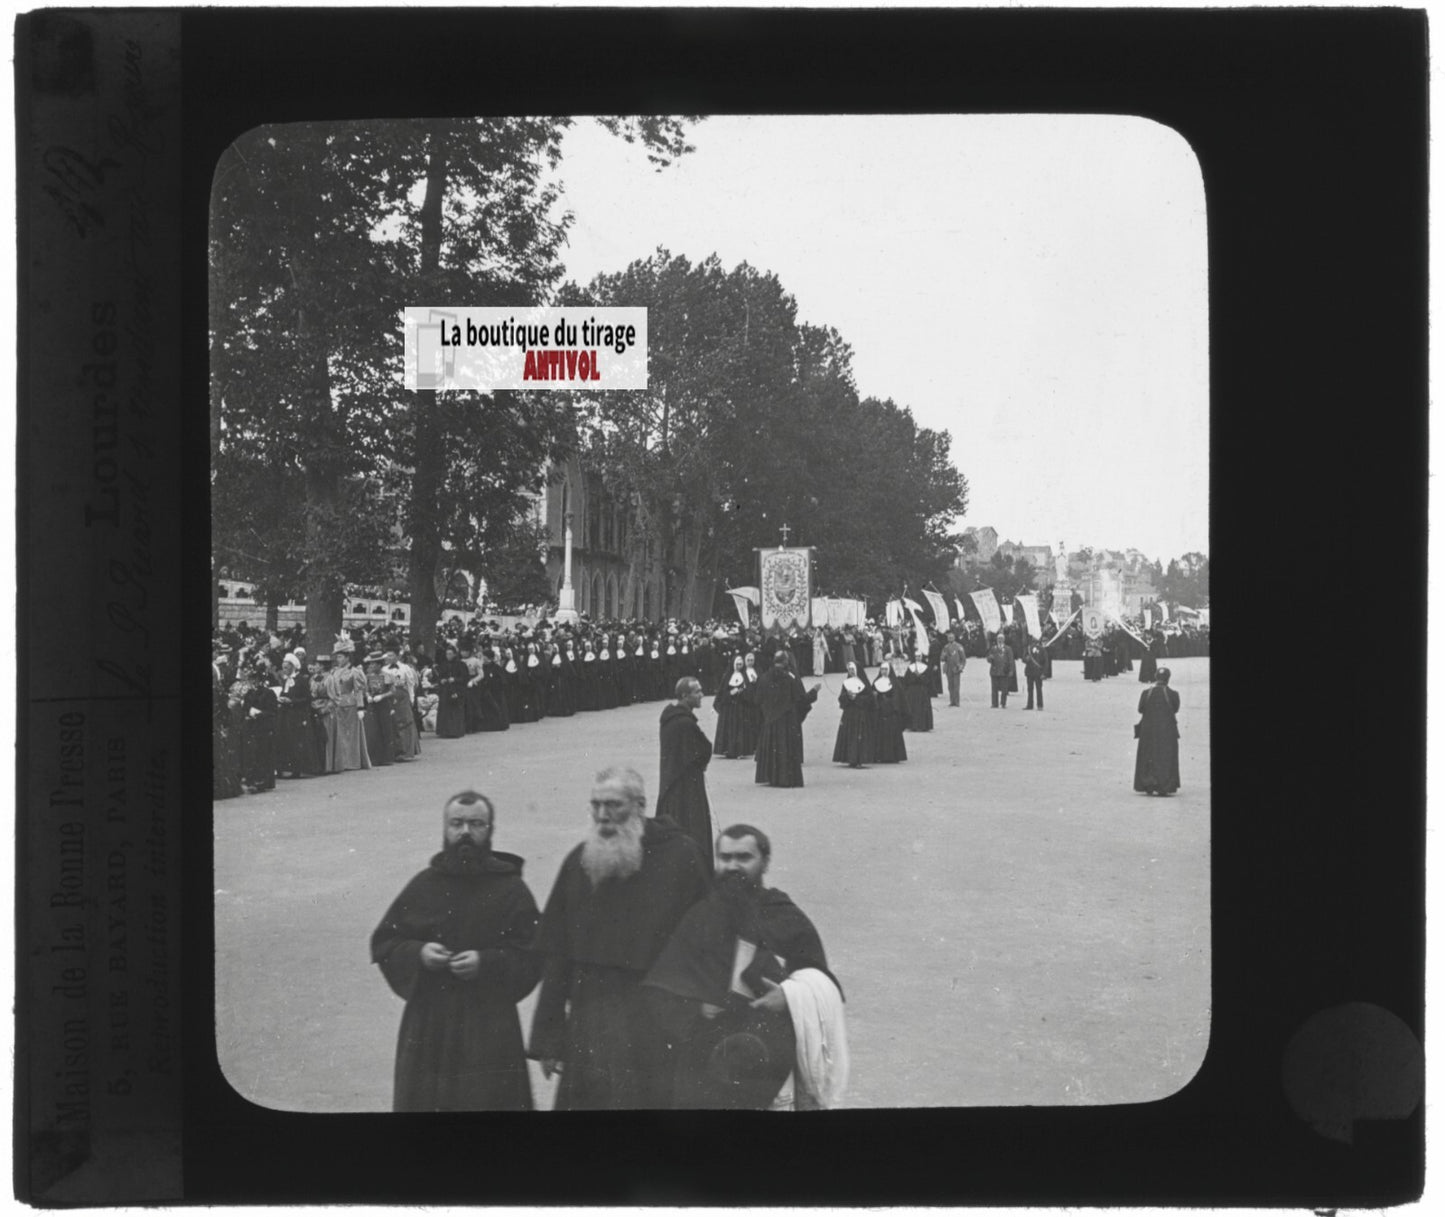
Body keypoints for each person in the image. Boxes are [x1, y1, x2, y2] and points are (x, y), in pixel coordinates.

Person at [528, 767, 711, 1109]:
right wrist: (549, 1038)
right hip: (590, 1022)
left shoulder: (683, 857)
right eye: (595, 805)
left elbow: (708, 945)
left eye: (613, 805)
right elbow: (557, 956)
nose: (602, 815)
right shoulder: (578, 862)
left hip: (658, 1025)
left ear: (640, 806)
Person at [644, 825, 848, 1110]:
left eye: (743, 857)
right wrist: (695, 1009)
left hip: (769, 1063)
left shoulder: (783, 914)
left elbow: (820, 980)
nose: (733, 866)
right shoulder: (700, 915)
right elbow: (661, 989)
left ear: (764, 862)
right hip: (704, 1064)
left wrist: (789, 996)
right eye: (725, 858)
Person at [370, 792, 542, 1111]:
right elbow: (385, 942)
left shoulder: (511, 889)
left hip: (490, 1026)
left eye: (476, 824)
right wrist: (418, 953)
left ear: (490, 829)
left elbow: (534, 953)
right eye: (457, 823)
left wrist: (487, 962)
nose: (465, 832)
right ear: (445, 829)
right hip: (430, 1025)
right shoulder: (424, 885)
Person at [657, 678, 715, 857]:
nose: (701, 695)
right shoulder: (685, 723)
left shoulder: (671, 719)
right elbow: (704, 748)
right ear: (684, 695)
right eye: (697, 692)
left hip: (672, 783)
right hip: (687, 787)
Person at [753, 650, 821, 788]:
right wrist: (814, 692)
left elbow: (757, 700)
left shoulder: (764, 678)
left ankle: (770, 777)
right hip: (786, 722)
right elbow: (801, 700)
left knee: (772, 749)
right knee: (785, 750)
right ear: (785, 662)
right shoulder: (789, 678)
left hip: (770, 721)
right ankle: (785, 778)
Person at [1133, 668, 1182, 796]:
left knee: (1148, 755)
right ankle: (1164, 785)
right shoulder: (1173, 694)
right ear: (1168, 678)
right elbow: (1175, 709)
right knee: (1165, 756)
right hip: (1167, 730)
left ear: (1155, 677)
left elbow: (1140, 709)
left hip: (1148, 730)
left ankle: (1147, 783)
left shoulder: (1146, 692)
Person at [832, 661, 874, 769]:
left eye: (852, 669)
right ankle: (851, 759)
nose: (851, 671)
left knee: (859, 735)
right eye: (849, 670)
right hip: (849, 713)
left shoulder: (864, 683)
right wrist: (847, 696)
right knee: (850, 735)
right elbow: (841, 698)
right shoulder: (846, 682)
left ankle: (860, 759)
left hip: (860, 713)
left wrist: (857, 698)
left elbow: (870, 699)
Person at [868, 657, 908, 763]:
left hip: (891, 714)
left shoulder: (895, 683)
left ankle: (892, 756)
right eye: (882, 670)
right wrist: (875, 697)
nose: (884, 672)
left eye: (886, 670)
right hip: (879, 713)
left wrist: (887, 702)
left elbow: (898, 699)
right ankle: (878, 755)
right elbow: (872, 697)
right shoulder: (876, 682)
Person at [901, 651, 934, 731]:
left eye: (919, 656)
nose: (918, 658)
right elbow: (906, 680)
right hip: (912, 691)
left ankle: (923, 726)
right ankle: (912, 726)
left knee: (922, 709)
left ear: (921, 657)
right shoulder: (911, 667)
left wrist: (920, 676)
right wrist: (914, 677)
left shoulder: (925, 667)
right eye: (916, 656)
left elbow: (928, 680)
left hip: (922, 691)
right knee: (913, 708)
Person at [987, 633, 1016, 710]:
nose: (1000, 640)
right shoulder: (993, 648)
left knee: (1004, 688)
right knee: (994, 688)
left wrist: (1011, 670)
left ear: (1004, 640)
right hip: (995, 671)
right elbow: (988, 659)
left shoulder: (1008, 649)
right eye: (998, 639)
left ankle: (1003, 703)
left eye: (1001, 639)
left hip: (1004, 671)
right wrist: (990, 658)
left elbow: (1011, 660)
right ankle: (994, 703)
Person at [939, 631, 967, 708]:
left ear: (954, 638)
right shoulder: (945, 647)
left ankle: (957, 701)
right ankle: (952, 701)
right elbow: (941, 658)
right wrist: (943, 656)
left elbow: (963, 659)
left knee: (956, 686)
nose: (950, 639)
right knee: (950, 686)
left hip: (956, 668)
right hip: (948, 668)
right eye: (948, 638)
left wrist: (961, 666)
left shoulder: (959, 646)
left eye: (951, 637)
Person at [1023, 642, 1046, 711]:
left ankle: (1040, 705)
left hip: (1038, 672)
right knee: (1030, 689)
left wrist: (1044, 673)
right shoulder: (1028, 648)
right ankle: (1030, 705)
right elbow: (1023, 658)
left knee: (1039, 689)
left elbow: (1045, 661)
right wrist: (1026, 659)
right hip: (1029, 671)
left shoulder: (1042, 649)